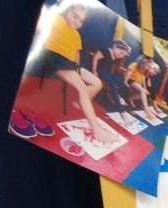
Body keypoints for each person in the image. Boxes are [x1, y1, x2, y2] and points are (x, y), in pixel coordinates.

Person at [41, 2, 119, 143]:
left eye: (81, 20)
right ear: (66, 11)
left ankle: (79, 102)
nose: (77, 22)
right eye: (74, 16)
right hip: (55, 58)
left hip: (70, 64)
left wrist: (77, 69)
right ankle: (96, 130)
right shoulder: (57, 19)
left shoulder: (76, 35)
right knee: (82, 88)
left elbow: (76, 55)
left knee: (97, 83)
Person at [87, 39, 132, 110]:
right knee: (112, 85)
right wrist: (94, 71)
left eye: (123, 55)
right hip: (100, 70)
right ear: (114, 46)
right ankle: (119, 106)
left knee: (123, 85)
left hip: (107, 72)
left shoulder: (114, 56)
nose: (121, 56)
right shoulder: (106, 51)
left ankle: (116, 96)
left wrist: (114, 76)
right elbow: (95, 57)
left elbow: (111, 66)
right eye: (121, 53)